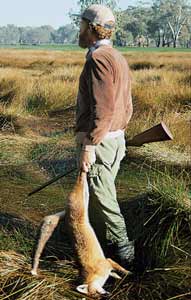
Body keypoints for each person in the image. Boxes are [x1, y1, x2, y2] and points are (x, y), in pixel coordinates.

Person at [75, 4, 134, 268]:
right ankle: (103, 250)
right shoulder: (116, 57)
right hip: (114, 140)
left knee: (105, 201)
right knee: (100, 197)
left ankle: (127, 258)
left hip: (101, 143)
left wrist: (90, 145)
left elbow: (104, 108)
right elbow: (126, 106)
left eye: (81, 25)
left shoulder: (98, 58)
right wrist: (118, 134)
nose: (79, 30)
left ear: (90, 28)